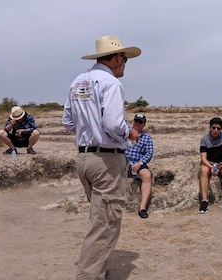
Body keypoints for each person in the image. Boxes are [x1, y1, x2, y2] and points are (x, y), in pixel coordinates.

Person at [62, 35, 141, 279]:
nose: (125, 64)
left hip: (84, 160)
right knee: (104, 225)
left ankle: (98, 270)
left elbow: (67, 121)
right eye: (125, 59)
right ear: (117, 58)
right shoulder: (111, 83)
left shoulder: (78, 82)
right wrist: (130, 132)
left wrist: (89, 132)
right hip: (106, 161)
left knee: (99, 220)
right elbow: (113, 123)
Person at [199, 117, 222, 214]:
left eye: (218, 128)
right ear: (210, 128)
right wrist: (212, 167)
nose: (216, 130)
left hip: (221, 163)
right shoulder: (204, 139)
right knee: (203, 171)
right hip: (209, 163)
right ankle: (204, 201)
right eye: (214, 128)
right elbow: (203, 158)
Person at [125, 113, 154, 219]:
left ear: (144, 124)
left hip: (137, 163)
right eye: (136, 121)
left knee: (147, 175)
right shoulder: (125, 130)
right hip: (122, 161)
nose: (137, 123)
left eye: (140, 122)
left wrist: (140, 163)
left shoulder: (147, 138)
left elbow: (149, 153)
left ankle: (142, 208)